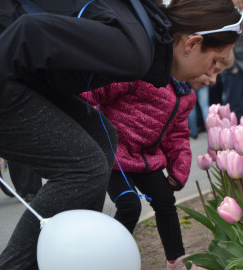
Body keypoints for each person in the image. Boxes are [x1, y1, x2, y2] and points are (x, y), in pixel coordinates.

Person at [0, 0, 242, 268]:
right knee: (85, 166)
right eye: (214, 61)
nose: (212, 75)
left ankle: (77, 256)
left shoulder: (146, 37)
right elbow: (30, 31)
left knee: (103, 136)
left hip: (17, 62)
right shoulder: (134, 51)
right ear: (192, 43)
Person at [81, 51, 234, 270]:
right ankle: (105, 259)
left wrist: (179, 168)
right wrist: (76, 100)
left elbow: (177, 135)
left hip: (145, 158)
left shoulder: (186, 97)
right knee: (129, 205)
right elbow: (99, 91)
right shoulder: (144, 75)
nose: (213, 79)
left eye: (219, 74)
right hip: (114, 153)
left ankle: (176, 259)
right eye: (212, 69)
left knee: (164, 200)